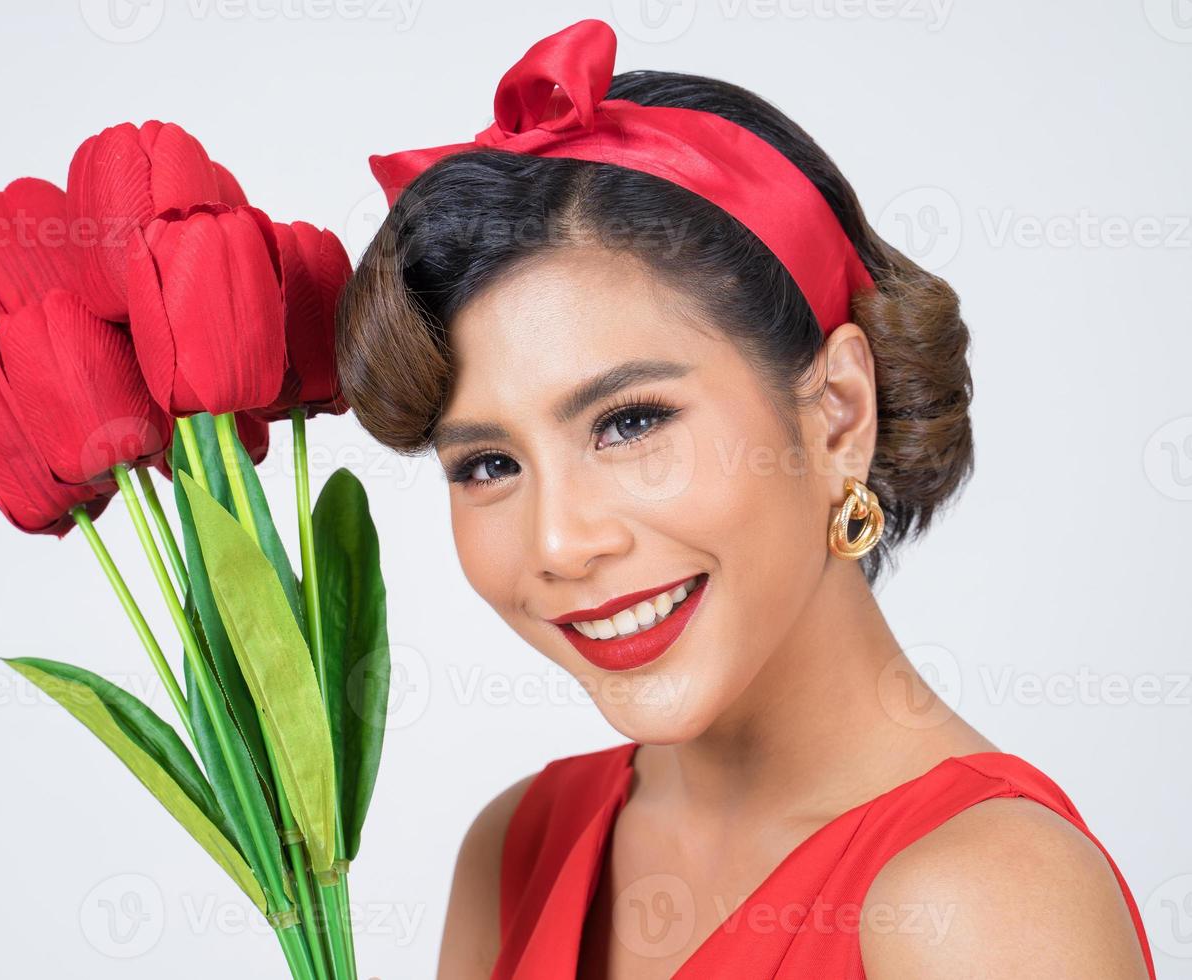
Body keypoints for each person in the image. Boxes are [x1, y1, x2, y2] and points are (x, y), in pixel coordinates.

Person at [335, 19, 1157, 979]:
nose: (559, 542)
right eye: (486, 465)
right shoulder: (517, 848)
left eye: (630, 422)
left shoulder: (982, 901)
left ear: (838, 414)